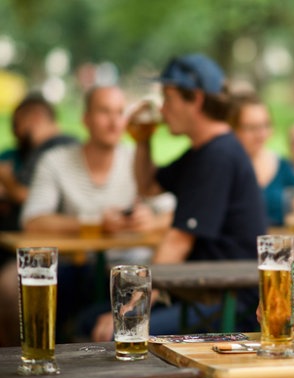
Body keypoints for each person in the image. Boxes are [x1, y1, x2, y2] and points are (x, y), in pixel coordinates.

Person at [91, 53, 267, 341]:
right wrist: (143, 138)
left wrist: (133, 306)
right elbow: (147, 185)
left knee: (117, 333)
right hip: (201, 296)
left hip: (230, 306)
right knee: (91, 319)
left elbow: (178, 241)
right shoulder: (203, 151)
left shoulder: (218, 156)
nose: (162, 108)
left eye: (168, 98)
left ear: (195, 99)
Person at [2, 86, 172, 345]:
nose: (115, 122)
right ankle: (26, 369)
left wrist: (149, 218)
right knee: (10, 284)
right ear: (86, 119)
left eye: (120, 112)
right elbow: (33, 219)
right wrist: (94, 223)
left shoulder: (135, 159)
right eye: (105, 112)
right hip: (75, 266)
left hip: (125, 270)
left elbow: (174, 212)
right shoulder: (55, 160)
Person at [0, 93, 78, 231]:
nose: (15, 132)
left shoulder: (56, 149)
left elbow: (27, 195)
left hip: (45, 236)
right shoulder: (41, 149)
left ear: (36, 117)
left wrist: (6, 179)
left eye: (17, 124)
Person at [229, 92, 294, 227]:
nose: (261, 134)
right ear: (234, 129)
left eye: (265, 125)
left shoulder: (283, 167)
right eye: (251, 128)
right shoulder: (226, 168)